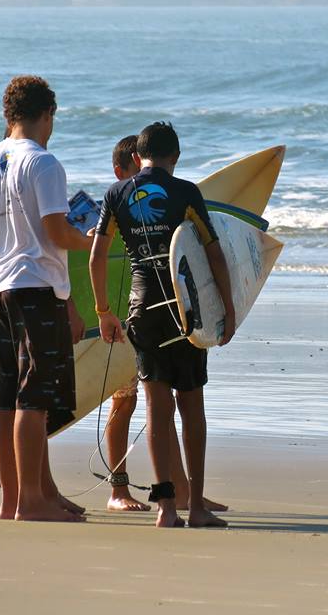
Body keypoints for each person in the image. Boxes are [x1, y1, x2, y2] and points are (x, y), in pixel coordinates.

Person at [90, 121, 234, 528]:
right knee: (191, 406)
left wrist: (104, 311)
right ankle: (198, 509)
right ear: (177, 157)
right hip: (184, 307)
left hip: (143, 309)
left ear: (137, 157)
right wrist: (228, 309)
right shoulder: (186, 192)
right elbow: (214, 254)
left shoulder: (116, 193)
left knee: (156, 408)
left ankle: (166, 508)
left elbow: (95, 257)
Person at [0, 75, 92, 522]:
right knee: (33, 400)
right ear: (47, 115)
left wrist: (12, 231)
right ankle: (33, 503)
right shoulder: (44, 162)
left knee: (4, 400)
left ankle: (15, 502)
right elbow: (58, 232)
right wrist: (92, 240)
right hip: (38, 285)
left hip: (1, 288)